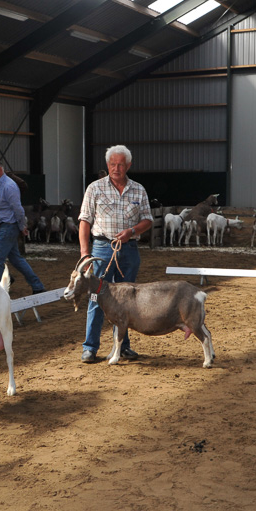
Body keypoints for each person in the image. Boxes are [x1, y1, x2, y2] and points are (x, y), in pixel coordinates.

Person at [78, 144, 153, 364]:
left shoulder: (139, 189)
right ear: (107, 165)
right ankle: (90, 348)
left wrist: (132, 231)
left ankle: (122, 347)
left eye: (121, 164)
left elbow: (148, 220)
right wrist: (85, 253)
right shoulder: (94, 188)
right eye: (112, 164)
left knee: (126, 300)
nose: (116, 168)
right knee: (95, 296)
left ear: (129, 165)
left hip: (128, 250)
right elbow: (84, 221)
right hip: (101, 249)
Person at [0, 157, 45, 293]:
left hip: (7, 227)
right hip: (3, 226)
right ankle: (37, 286)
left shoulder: (9, 186)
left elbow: (18, 209)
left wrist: (22, 225)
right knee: (16, 259)